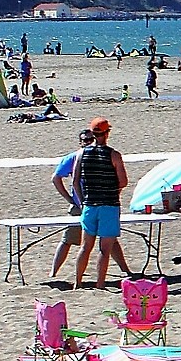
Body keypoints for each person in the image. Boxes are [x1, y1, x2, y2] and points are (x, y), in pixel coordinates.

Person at [69, 118, 130, 290]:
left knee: (85, 247)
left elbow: (75, 181)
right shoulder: (114, 155)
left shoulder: (81, 153)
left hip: (90, 205)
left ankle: (78, 282)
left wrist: (82, 202)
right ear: (107, 133)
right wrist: (113, 190)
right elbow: (123, 181)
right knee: (105, 248)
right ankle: (100, 284)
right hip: (109, 205)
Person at [48, 130, 92, 278]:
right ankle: (53, 272)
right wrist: (69, 199)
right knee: (67, 240)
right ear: (80, 142)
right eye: (85, 140)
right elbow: (56, 178)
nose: (88, 142)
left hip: (99, 205)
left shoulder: (102, 155)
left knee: (109, 241)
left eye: (91, 139)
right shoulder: (73, 158)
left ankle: (126, 270)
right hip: (79, 207)